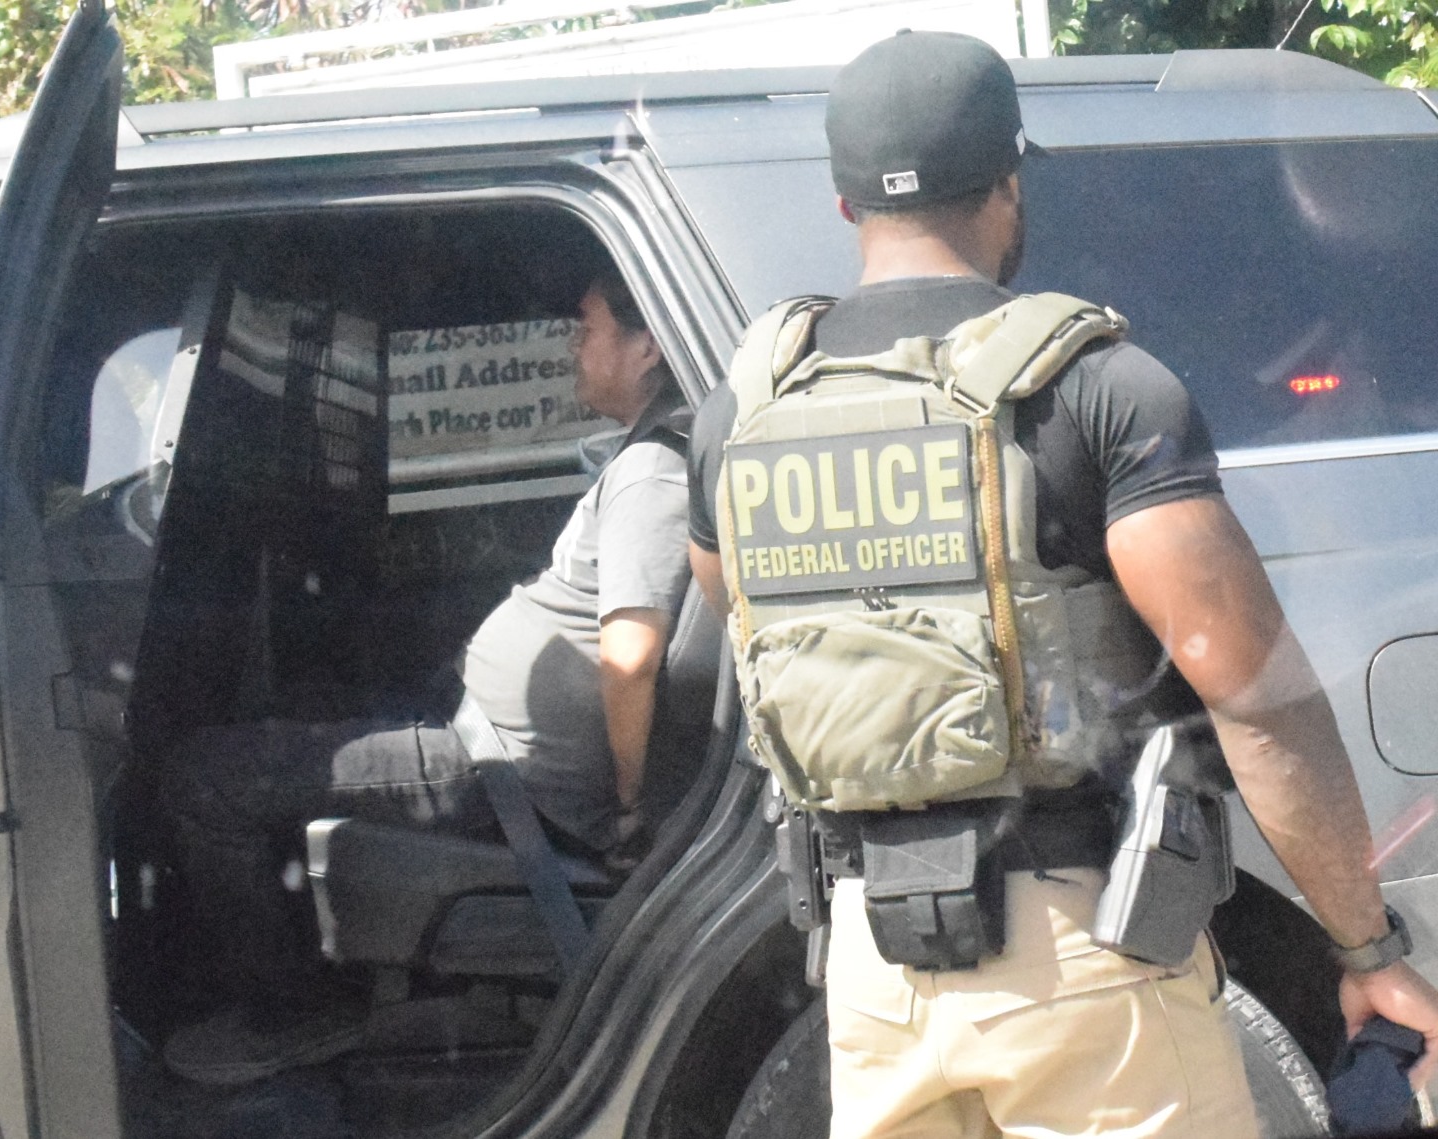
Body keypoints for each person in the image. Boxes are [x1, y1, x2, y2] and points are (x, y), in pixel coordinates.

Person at [684, 30, 1438, 1139]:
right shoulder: (1089, 391)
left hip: (868, 974)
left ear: (844, 209)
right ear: (1007, 184)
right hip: (1083, 959)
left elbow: (740, 623)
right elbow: (1254, 695)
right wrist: (1367, 948)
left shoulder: (740, 412)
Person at [161, 269, 692, 1084]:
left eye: (585, 329)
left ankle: (295, 1011)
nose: (571, 347)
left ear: (646, 344)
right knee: (300, 708)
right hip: (492, 741)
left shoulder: (655, 472)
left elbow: (631, 657)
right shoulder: (641, 458)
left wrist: (630, 815)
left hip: (508, 777)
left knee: (208, 779)